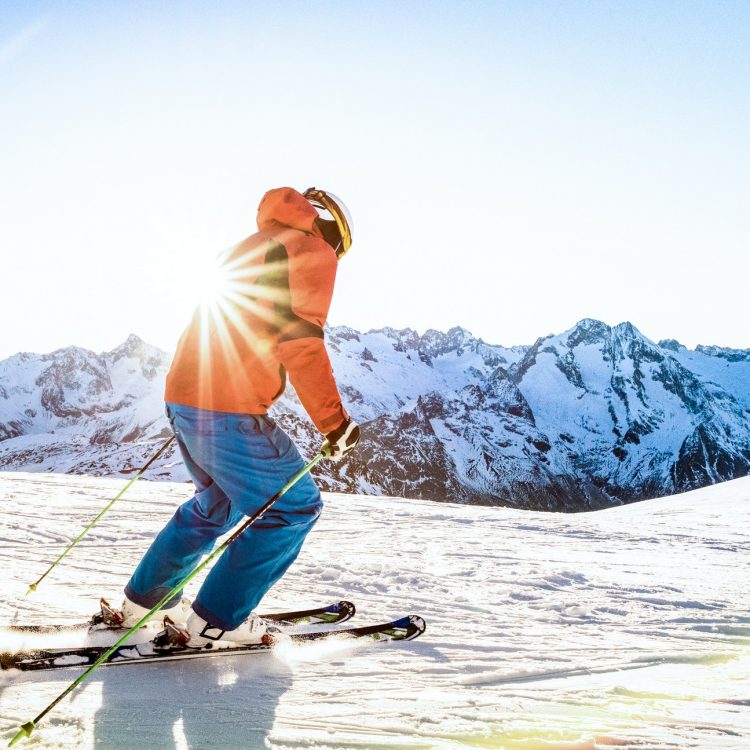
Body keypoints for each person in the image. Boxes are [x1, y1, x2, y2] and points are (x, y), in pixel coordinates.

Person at [111, 187, 360, 647]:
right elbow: (300, 341)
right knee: (294, 507)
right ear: (334, 231)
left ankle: (144, 604)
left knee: (215, 506)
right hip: (226, 406)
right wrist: (335, 423)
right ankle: (217, 620)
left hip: (186, 395)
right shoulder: (311, 250)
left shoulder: (250, 245)